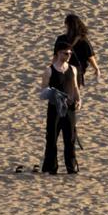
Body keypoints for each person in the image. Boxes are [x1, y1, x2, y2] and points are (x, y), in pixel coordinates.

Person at [40, 41, 80, 175]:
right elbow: (43, 91)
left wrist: (78, 99)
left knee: (70, 138)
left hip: (69, 108)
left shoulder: (73, 69)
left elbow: (75, 87)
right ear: (58, 53)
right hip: (54, 108)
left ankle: (71, 167)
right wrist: (52, 93)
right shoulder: (49, 70)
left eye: (69, 53)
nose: (68, 55)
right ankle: (50, 167)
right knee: (52, 138)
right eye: (65, 53)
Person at [55, 14, 100, 87]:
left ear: (67, 25)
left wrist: (53, 69)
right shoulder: (83, 40)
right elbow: (90, 56)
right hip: (77, 70)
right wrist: (96, 68)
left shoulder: (60, 39)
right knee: (75, 92)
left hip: (62, 68)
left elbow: (55, 57)